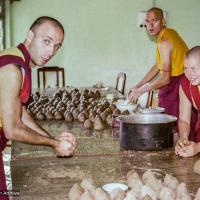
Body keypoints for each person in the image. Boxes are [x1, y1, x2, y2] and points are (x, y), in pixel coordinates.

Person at [0, 16, 76, 197]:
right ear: (30, 34)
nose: (51, 51)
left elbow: (21, 112)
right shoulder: (12, 69)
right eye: (46, 41)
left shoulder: (20, 61)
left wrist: (52, 139)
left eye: (56, 46)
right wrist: (54, 143)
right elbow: (12, 130)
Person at [128, 7, 188, 118]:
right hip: (182, 82)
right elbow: (158, 65)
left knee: (170, 124)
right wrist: (139, 85)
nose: (150, 25)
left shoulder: (164, 42)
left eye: (155, 21)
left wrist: (141, 91)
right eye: (147, 21)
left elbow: (165, 79)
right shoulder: (170, 32)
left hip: (176, 85)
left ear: (163, 21)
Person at [175, 46, 200, 157]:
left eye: (193, 68)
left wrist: (197, 147)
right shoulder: (186, 84)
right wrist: (183, 138)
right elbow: (184, 119)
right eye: (185, 68)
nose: (189, 74)